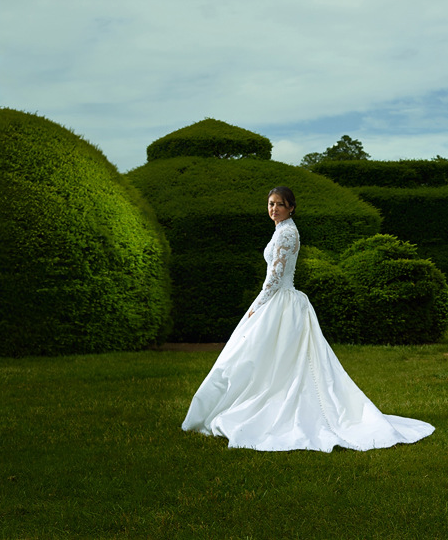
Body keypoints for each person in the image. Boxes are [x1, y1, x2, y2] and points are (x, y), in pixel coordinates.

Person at [182, 186, 434, 451]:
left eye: (280, 204)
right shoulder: (282, 230)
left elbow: (275, 278)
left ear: (291, 207)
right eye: (270, 204)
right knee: (261, 357)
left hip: (280, 301)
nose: (274, 209)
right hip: (283, 301)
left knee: (265, 357)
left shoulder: (287, 233)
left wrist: (256, 307)